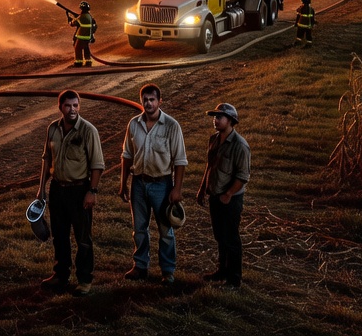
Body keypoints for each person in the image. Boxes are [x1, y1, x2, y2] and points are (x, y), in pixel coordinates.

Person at [36, 90, 105, 296]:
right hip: (58, 189)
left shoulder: (88, 130)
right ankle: (60, 275)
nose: (72, 109)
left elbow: (97, 164)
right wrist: (41, 188)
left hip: (79, 190)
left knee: (83, 237)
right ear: (60, 107)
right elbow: (46, 158)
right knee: (60, 235)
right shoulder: (52, 129)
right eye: (68, 106)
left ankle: (84, 280)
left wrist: (92, 191)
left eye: (76, 105)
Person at [118, 83, 187, 285]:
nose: (148, 103)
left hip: (162, 184)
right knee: (139, 228)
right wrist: (123, 184)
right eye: (145, 100)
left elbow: (180, 160)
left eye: (152, 99)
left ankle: (167, 270)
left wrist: (177, 189)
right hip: (138, 182)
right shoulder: (133, 124)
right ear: (141, 101)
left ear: (159, 101)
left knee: (165, 230)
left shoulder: (172, 126)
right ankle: (140, 266)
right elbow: (126, 156)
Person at [197, 102, 250, 290]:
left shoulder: (240, 145)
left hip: (231, 199)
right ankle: (222, 271)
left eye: (220, 117)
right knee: (220, 236)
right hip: (215, 196)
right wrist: (203, 188)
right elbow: (209, 166)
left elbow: (243, 176)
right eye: (214, 116)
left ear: (231, 120)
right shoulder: (214, 139)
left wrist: (228, 194)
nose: (216, 120)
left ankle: (234, 279)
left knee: (231, 238)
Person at [68, 2, 97, 67]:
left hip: (81, 36)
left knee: (77, 48)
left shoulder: (82, 16)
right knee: (86, 48)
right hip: (88, 36)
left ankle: (78, 63)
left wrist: (70, 20)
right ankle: (88, 62)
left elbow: (73, 23)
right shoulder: (89, 16)